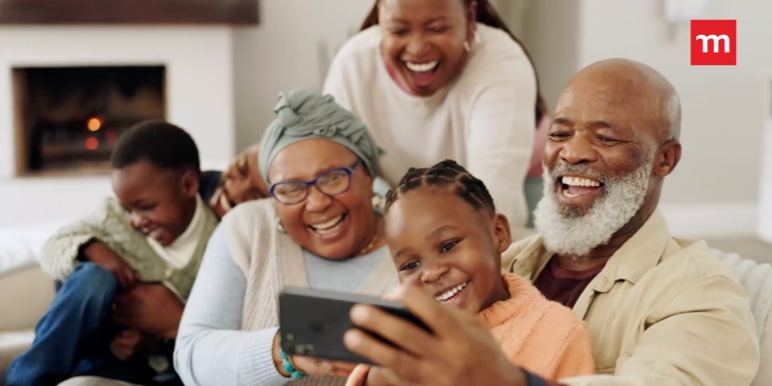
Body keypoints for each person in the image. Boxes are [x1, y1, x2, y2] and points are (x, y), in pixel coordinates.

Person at [340, 58, 761, 386]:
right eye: (559, 134)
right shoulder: (494, 262)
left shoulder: (701, 294)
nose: (572, 153)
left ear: (664, 159)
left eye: (606, 137)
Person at [173, 90, 398, 386]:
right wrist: (287, 351)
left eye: (333, 177)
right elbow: (191, 356)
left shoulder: (412, 251)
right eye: (290, 188)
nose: (317, 203)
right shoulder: (248, 228)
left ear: (369, 175)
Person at [344, 160, 595, 386]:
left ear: (498, 233)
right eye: (410, 265)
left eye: (448, 245)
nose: (431, 273)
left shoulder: (559, 332)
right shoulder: (398, 319)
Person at [6, 121, 219, 386]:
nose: (136, 220)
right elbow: (52, 248)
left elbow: (217, 329)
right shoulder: (114, 218)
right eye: (128, 209)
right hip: (94, 344)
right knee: (94, 278)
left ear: (188, 185)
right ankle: (25, 380)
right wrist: (91, 248)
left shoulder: (218, 241)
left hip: (150, 366)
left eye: (146, 207)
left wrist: (154, 342)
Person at [322, 0, 539, 234]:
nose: (417, 48)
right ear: (380, 20)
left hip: (517, 184)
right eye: (398, 30)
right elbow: (334, 176)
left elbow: (492, 204)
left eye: (437, 28)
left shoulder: (501, 65)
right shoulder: (352, 65)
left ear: (469, 18)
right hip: (409, 207)